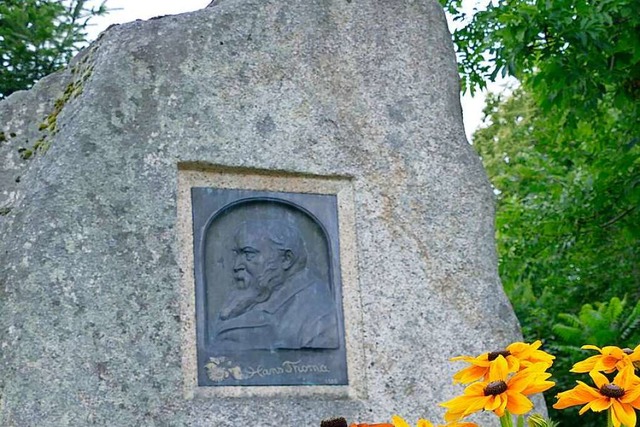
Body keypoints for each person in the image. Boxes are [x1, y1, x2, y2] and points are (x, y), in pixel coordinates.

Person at [210, 219, 339, 350]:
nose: (237, 266)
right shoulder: (256, 295)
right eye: (237, 254)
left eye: (249, 254)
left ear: (286, 259)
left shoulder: (317, 313)